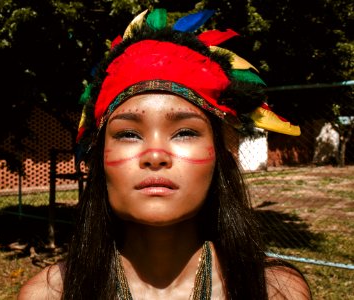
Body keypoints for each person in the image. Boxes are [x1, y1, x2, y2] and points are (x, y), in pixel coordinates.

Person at [18, 9, 310, 299]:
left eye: (185, 132)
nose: (155, 155)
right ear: (100, 158)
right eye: (128, 134)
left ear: (219, 156)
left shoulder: (275, 291)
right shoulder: (48, 294)